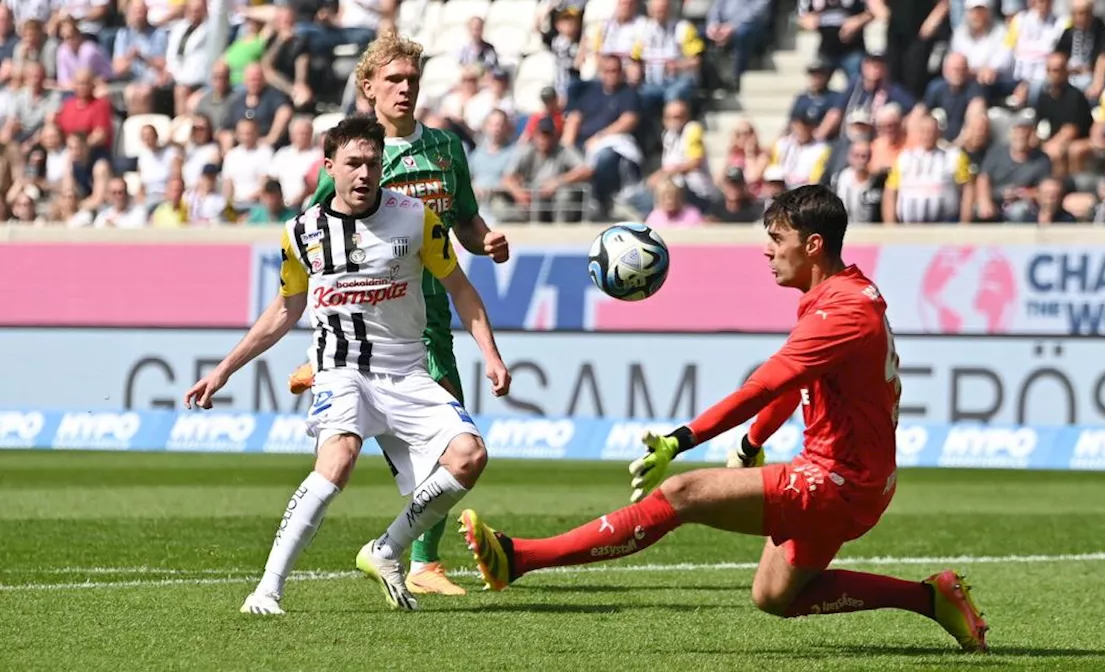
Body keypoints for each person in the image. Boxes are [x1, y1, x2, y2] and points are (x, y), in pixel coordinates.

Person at [459, 185, 988, 653]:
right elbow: (801, 381)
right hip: (855, 479)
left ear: (813, 245)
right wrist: (752, 442)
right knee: (775, 596)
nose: (766, 250)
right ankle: (932, 598)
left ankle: (518, 557)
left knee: (682, 494)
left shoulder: (840, 313)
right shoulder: (841, 292)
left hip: (836, 480)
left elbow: (766, 385)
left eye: (777, 238)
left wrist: (679, 440)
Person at [185, 115, 511, 617]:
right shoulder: (301, 234)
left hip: (406, 370)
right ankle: (267, 590)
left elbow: (461, 289)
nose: (364, 174)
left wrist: (490, 354)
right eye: (353, 163)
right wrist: (225, 368)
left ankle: (385, 550)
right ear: (329, 166)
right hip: (341, 370)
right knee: (338, 458)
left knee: (470, 456)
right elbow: (285, 308)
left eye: (373, 163)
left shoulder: (417, 218)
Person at [290, 33, 510, 597]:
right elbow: (319, 241)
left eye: (412, 80)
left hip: (433, 317)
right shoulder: (353, 156)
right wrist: (320, 335)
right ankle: (416, 559)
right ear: (368, 88)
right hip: (371, 327)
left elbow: (465, 219)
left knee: (452, 445)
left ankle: (418, 558)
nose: (406, 90)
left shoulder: (444, 149)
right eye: (394, 80)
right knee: (450, 446)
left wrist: (486, 241)